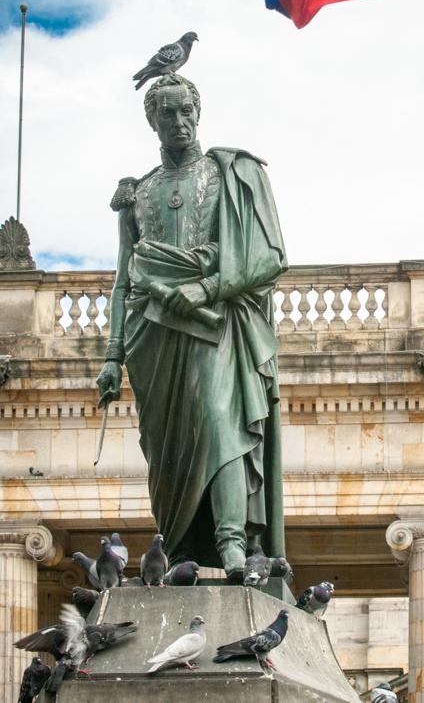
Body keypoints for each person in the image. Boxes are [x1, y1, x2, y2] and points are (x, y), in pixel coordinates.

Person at [96, 74, 287, 577]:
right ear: (151, 121)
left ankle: (231, 542)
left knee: (218, 419)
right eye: (167, 115)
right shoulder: (137, 195)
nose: (179, 123)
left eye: (186, 112)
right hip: (152, 335)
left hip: (216, 321)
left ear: (198, 113)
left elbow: (268, 257)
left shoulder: (232, 174)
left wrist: (204, 289)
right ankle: (178, 547)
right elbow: (124, 279)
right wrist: (113, 356)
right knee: (166, 450)